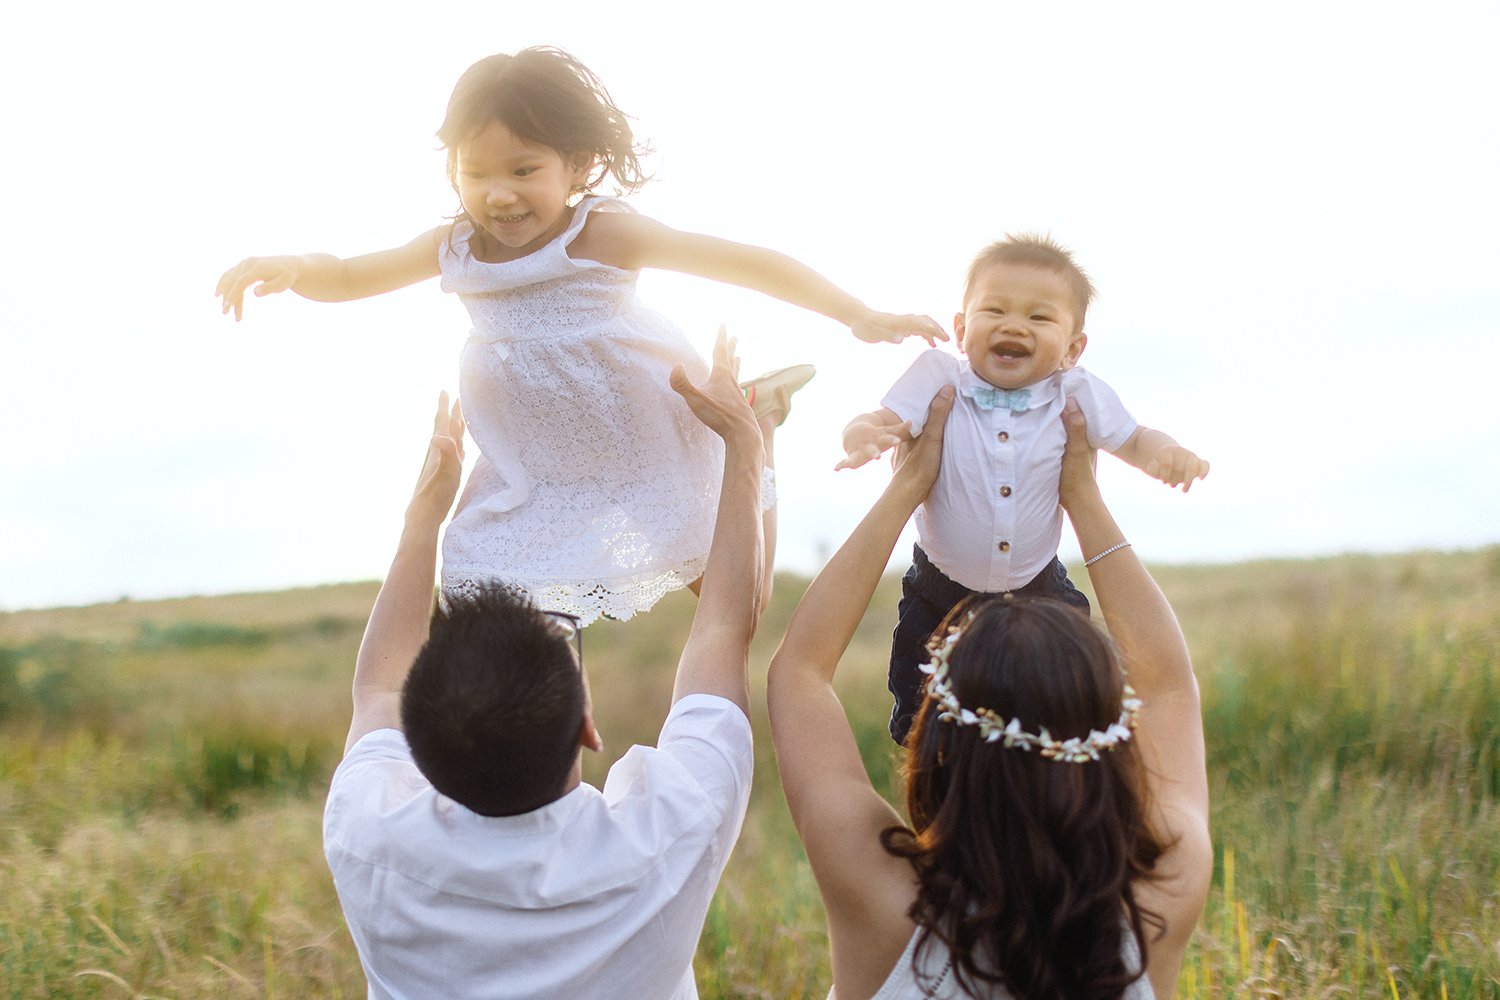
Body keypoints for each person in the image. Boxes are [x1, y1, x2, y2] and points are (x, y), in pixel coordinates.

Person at [216, 46, 943, 624]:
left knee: (737, 606)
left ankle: (758, 425)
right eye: (475, 172)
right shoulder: (455, 248)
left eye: (524, 169)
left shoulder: (601, 234)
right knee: (480, 592)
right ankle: (549, 738)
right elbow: (350, 274)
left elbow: (744, 261)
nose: (499, 193)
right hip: (534, 472)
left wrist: (856, 313)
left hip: (649, 439)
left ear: (579, 166)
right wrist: (295, 267)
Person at [322, 329, 768, 999]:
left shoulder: (369, 844)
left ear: (418, 741)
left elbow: (379, 688)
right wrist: (744, 443)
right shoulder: (669, 838)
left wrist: (423, 523)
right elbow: (725, 629)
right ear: (588, 727)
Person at [768, 389, 1212, 999]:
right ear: (1108, 745)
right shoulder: (1161, 894)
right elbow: (1169, 687)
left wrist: (909, 487)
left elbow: (800, 671)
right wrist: (1082, 497)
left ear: (936, 745)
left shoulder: (885, 900)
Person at [835, 235, 1209, 742]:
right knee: (924, 711)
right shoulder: (938, 378)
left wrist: (1166, 454)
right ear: (961, 328)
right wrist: (862, 435)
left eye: (1039, 317)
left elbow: (1136, 438)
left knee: (1068, 697)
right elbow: (882, 418)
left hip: (1038, 586)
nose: (1014, 325)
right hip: (940, 589)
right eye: (995, 310)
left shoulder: (1076, 392)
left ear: (1072, 348)